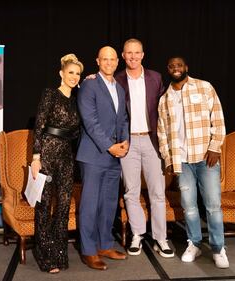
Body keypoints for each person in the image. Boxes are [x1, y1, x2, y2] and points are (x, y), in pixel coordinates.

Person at [157, 56, 229, 268]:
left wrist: (215, 147)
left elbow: (218, 118)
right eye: (171, 66)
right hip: (182, 162)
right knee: (189, 206)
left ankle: (218, 248)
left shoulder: (204, 87)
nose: (176, 69)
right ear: (168, 70)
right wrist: (169, 159)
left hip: (206, 157)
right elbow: (162, 133)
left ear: (186, 67)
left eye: (179, 65)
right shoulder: (165, 99)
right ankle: (195, 243)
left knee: (213, 205)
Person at [114, 38, 174, 257]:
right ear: (123, 55)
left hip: (151, 140)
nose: (133, 56)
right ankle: (137, 235)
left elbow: (167, 107)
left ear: (142, 54)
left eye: (136, 53)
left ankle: (161, 238)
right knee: (131, 192)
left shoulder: (156, 78)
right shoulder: (117, 79)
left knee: (157, 192)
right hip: (127, 141)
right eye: (129, 53)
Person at [76, 46, 129, 270]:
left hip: (115, 156)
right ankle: (88, 250)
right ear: (98, 61)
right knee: (90, 205)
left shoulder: (119, 87)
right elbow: (90, 121)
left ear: (118, 61)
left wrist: (125, 142)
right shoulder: (88, 85)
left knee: (108, 204)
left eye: (112, 59)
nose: (109, 62)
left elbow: (124, 118)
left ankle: (104, 244)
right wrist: (110, 146)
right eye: (104, 59)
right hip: (93, 155)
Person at [31, 54, 83, 274]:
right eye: (70, 72)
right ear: (61, 73)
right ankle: (44, 255)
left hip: (66, 157)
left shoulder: (77, 100)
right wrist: (36, 158)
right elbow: (39, 126)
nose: (74, 76)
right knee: (43, 206)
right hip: (48, 153)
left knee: (62, 206)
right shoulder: (50, 94)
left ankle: (59, 255)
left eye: (77, 73)